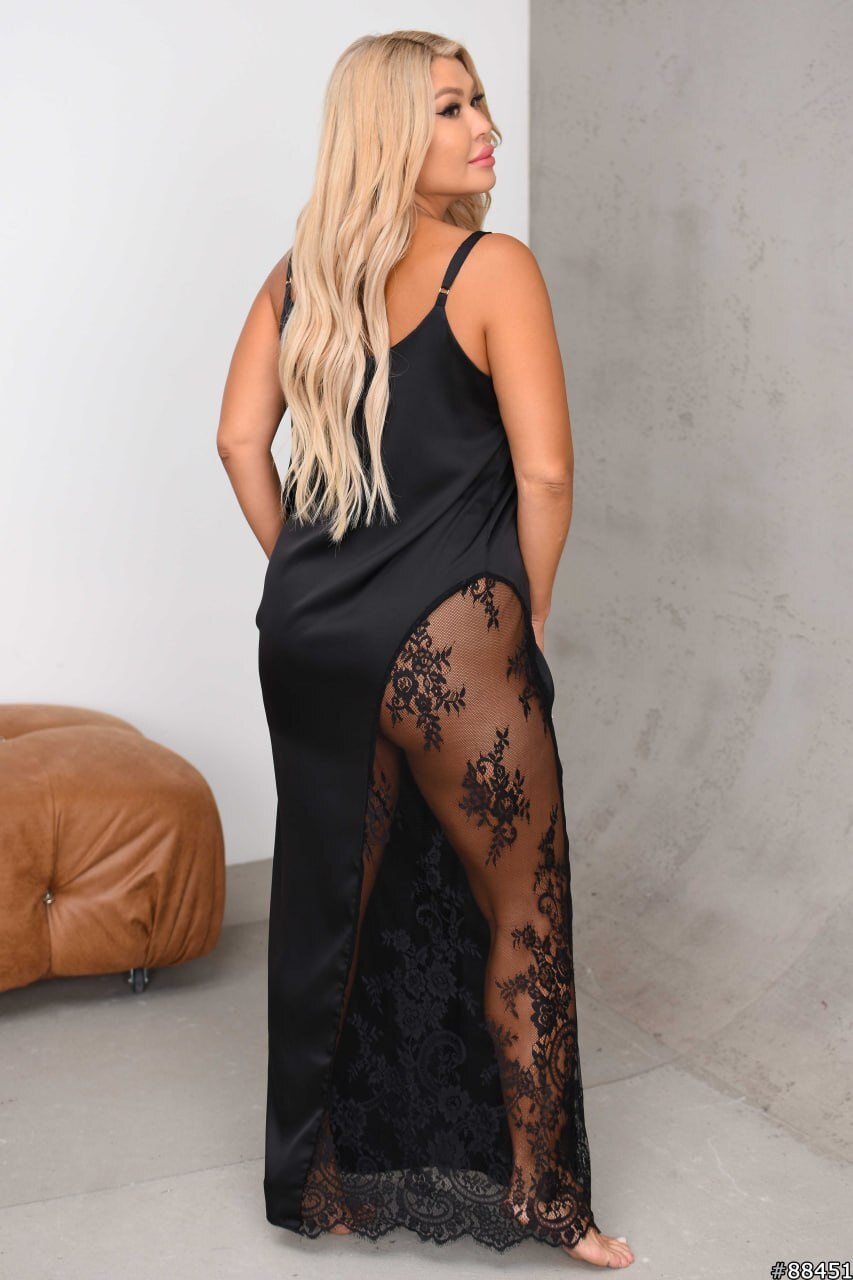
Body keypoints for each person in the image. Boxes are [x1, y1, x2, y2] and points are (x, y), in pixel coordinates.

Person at [216, 29, 634, 1270]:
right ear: (392, 133)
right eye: (450, 107)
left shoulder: (300, 278)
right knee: (523, 906)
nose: (482, 124)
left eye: (480, 99)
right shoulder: (491, 268)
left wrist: (309, 575)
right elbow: (547, 474)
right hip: (451, 642)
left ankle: (320, 1183)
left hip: (311, 641)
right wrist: (529, 613)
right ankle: (549, 1199)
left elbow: (238, 441)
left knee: (330, 907)